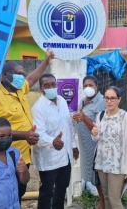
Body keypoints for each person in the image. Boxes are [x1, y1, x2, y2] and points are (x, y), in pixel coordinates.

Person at [0, 47, 54, 200]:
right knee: (8, 193)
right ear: (5, 75)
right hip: (7, 156)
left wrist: (46, 61)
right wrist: (25, 135)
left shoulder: (17, 88)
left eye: (22, 74)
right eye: (18, 74)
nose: (22, 77)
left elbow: (31, 80)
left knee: (19, 191)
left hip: (23, 154)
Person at [31, 74, 79, 209]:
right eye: (46, 85)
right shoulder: (38, 108)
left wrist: (74, 146)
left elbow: (68, 125)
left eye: (53, 84)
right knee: (47, 192)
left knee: (62, 188)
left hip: (65, 156)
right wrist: (53, 141)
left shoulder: (62, 100)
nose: (50, 87)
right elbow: (38, 134)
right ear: (41, 88)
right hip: (48, 158)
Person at [91, 86, 127, 209]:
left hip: (118, 166)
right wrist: (94, 133)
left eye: (112, 98)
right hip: (102, 163)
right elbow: (96, 140)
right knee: (105, 198)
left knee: (115, 200)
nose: (109, 101)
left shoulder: (125, 117)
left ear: (119, 99)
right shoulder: (100, 115)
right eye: (106, 98)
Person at [72, 75, 106, 209]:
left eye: (91, 85)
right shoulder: (82, 101)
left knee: (100, 177)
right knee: (94, 177)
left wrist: (84, 118)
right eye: (85, 86)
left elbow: (100, 128)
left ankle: (104, 204)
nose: (88, 88)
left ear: (97, 87)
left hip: (96, 146)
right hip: (86, 146)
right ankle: (102, 203)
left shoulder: (102, 102)